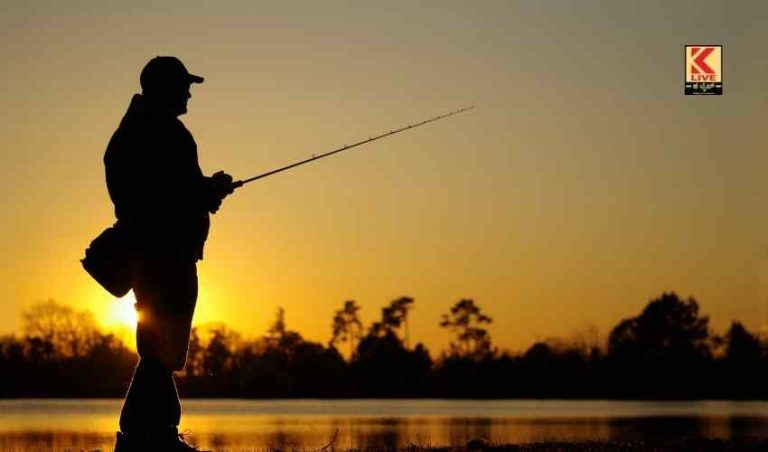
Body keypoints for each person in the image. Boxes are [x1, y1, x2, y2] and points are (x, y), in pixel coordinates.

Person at [105, 56, 233, 452]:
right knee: (163, 348)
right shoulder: (163, 131)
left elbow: (162, 190)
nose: (189, 95)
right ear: (167, 89)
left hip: (153, 251)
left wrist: (205, 191)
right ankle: (147, 436)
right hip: (166, 253)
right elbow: (170, 195)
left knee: (159, 348)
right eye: (184, 87)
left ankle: (149, 435)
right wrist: (209, 191)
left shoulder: (134, 130)